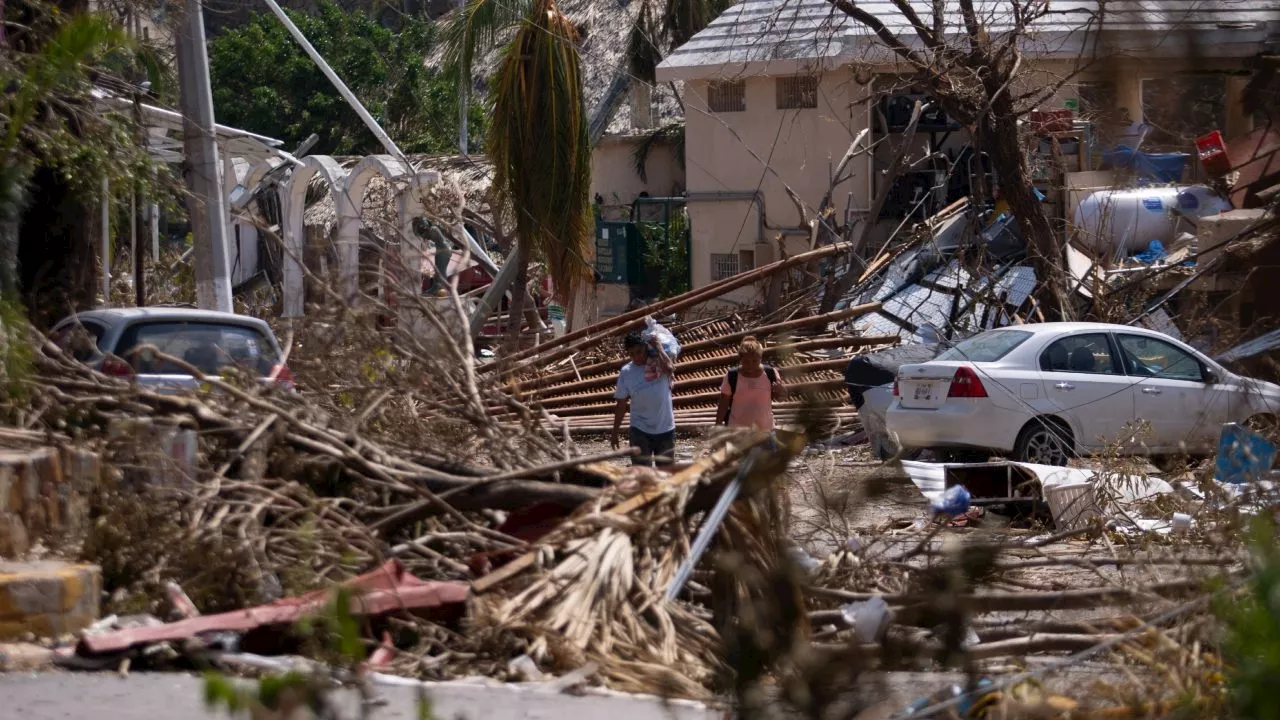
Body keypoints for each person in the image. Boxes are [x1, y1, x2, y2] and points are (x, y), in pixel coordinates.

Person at [611, 331, 676, 467]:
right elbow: (621, 404)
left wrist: (658, 347)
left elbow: (671, 368)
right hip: (639, 430)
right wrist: (615, 432)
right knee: (642, 474)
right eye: (632, 354)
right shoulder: (627, 372)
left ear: (646, 347)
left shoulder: (660, 363)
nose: (636, 357)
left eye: (639, 351)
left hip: (665, 429)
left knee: (666, 474)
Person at [716, 336, 786, 431]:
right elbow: (723, 403)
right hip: (737, 433)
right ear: (740, 359)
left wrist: (781, 391)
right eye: (746, 362)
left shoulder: (770, 373)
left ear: (760, 358)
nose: (750, 366)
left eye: (754, 361)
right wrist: (717, 427)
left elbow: (781, 398)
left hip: (765, 431)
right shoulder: (732, 376)